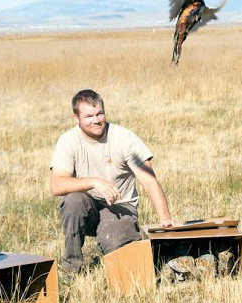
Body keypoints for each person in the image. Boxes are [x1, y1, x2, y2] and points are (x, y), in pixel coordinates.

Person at [50, 89, 175, 272]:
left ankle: (133, 239)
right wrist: (94, 182)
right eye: (89, 116)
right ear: (76, 118)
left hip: (120, 206)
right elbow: (56, 185)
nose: (96, 120)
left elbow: (149, 180)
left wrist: (165, 219)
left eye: (100, 113)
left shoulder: (124, 138)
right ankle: (72, 269)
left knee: (117, 246)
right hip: (88, 207)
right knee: (73, 201)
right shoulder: (68, 141)